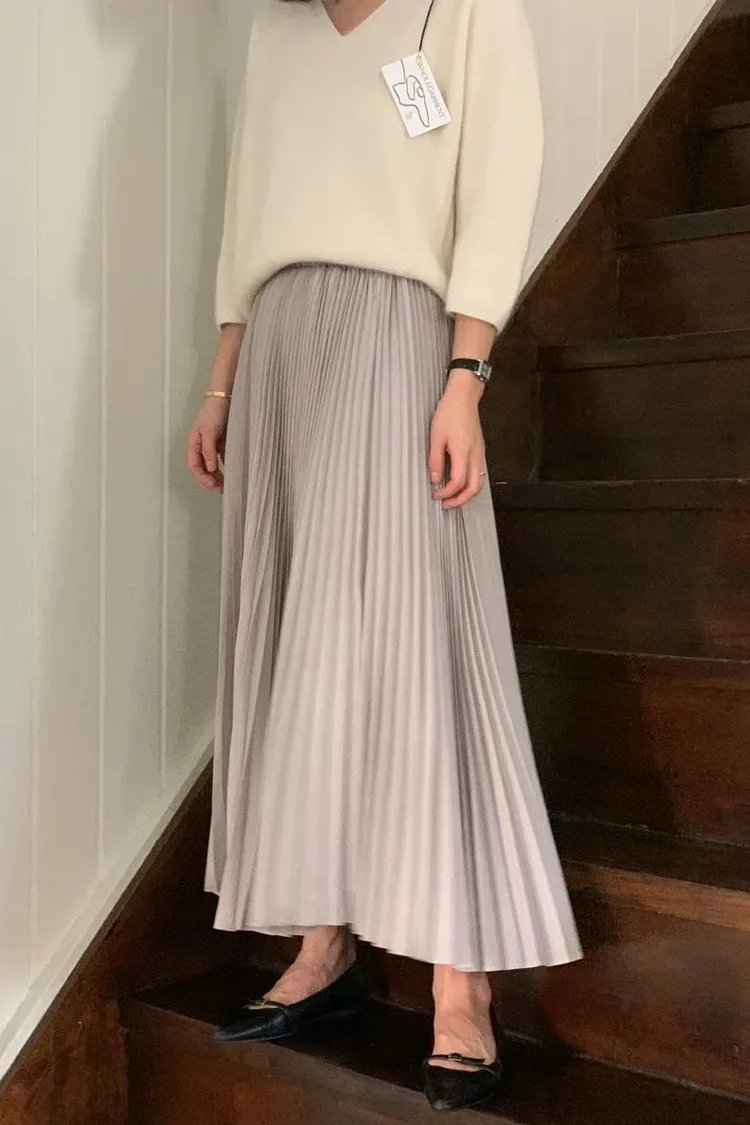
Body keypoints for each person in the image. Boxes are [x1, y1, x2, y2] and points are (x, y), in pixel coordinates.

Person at [187, 0, 583, 1111]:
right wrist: (219, 382)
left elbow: (498, 182)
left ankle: (461, 979)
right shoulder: (276, 32)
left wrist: (466, 374)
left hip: (399, 333)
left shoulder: (465, 11)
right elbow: (247, 213)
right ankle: (324, 940)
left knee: (415, 641)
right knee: (303, 645)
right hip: (281, 344)